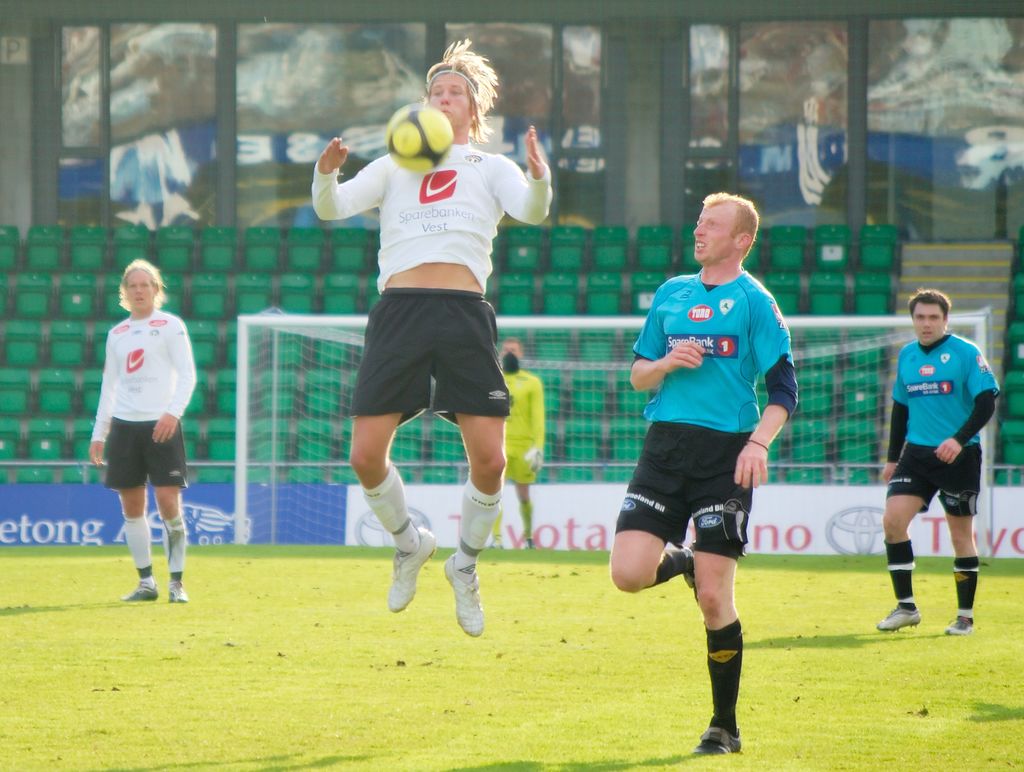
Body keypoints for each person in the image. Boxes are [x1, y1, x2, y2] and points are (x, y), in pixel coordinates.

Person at [312, 39, 552, 637]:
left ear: (474, 111)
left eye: (456, 94)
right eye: (437, 93)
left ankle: (464, 565)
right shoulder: (395, 163)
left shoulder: (490, 167)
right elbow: (332, 207)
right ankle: (408, 543)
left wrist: (540, 179)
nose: (446, 100)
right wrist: (325, 172)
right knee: (364, 455)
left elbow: (532, 209)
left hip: (464, 312)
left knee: (492, 460)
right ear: (424, 106)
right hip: (399, 311)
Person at [609, 193, 798, 755]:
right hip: (664, 447)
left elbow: (785, 388)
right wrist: (666, 363)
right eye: (698, 222)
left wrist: (759, 443)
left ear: (742, 240)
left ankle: (724, 727)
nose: (699, 230)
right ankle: (686, 558)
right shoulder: (671, 293)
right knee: (628, 575)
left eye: (711, 225)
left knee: (715, 599)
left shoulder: (755, 302)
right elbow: (638, 375)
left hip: (725, 456)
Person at [876, 288, 999, 636]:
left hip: (959, 456)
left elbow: (987, 401)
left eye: (933, 317)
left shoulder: (965, 353)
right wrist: (890, 457)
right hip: (916, 455)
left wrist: (958, 440)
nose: (926, 323)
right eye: (920, 317)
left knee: (960, 535)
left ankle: (964, 617)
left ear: (945, 320)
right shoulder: (907, 356)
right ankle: (906, 608)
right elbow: (900, 408)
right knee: (892, 521)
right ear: (913, 319)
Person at [89, 259, 196, 603]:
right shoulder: (117, 334)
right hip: (124, 427)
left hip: (161, 425)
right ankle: (146, 582)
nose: (138, 290)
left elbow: (188, 374)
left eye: (144, 284)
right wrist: (99, 433)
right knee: (131, 506)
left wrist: (172, 414)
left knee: (168, 502)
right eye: (132, 285)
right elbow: (109, 386)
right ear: (124, 291)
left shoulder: (170, 325)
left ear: (156, 290)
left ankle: (176, 582)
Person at [492, 337, 545, 549]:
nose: (509, 354)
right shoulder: (493, 379)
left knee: (523, 494)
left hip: (523, 446)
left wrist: (538, 447)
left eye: (513, 350)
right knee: (494, 493)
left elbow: (538, 417)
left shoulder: (532, 382)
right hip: (499, 443)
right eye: (505, 351)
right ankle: (497, 540)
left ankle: (529, 536)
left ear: (521, 353)